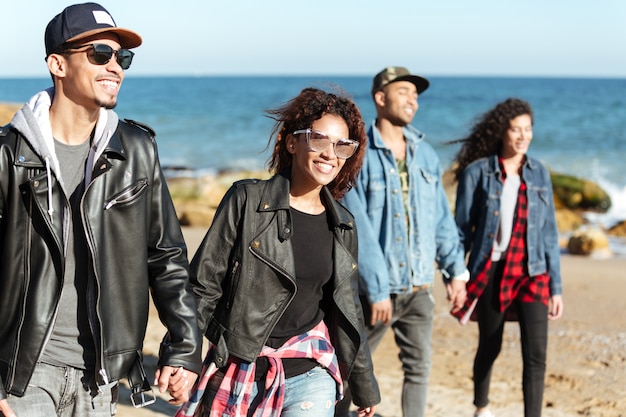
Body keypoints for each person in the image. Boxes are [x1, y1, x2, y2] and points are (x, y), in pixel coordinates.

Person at [0, 3, 202, 417]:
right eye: (99, 54)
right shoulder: (8, 154)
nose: (115, 67)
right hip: (24, 370)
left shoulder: (137, 151)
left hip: (101, 375)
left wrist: (183, 348)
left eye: (122, 57)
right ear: (57, 64)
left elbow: (165, 256)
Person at [176, 87, 380, 417]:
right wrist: (183, 355)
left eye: (342, 146)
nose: (330, 153)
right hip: (239, 364)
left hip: (310, 369)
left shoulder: (343, 224)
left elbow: (346, 309)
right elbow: (203, 285)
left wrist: (363, 384)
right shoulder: (246, 201)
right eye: (318, 139)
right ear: (292, 142)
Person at [336, 66, 469, 417]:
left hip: (420, 286)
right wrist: (378, 288)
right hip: (378, 292)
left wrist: (456, 273)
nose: (412, 99)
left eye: (416, 94)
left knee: (419, 369)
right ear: (380, 98)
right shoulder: (359, 153)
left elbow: (440, 218)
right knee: (351, 370)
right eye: (403, 92)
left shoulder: (424, 154)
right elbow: (357, 224)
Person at [451, 98, 564, 417]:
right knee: (490, 344)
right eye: (516, 129)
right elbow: (462, 229)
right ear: (503, 131)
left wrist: (557, 287)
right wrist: (456, 275)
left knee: (536, 353)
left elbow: (550, 234)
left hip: (533, 270)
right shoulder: (478, 173)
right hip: (493, 268)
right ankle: (481, 406)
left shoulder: (539, 172)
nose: (522, 136)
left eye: (528, 130)